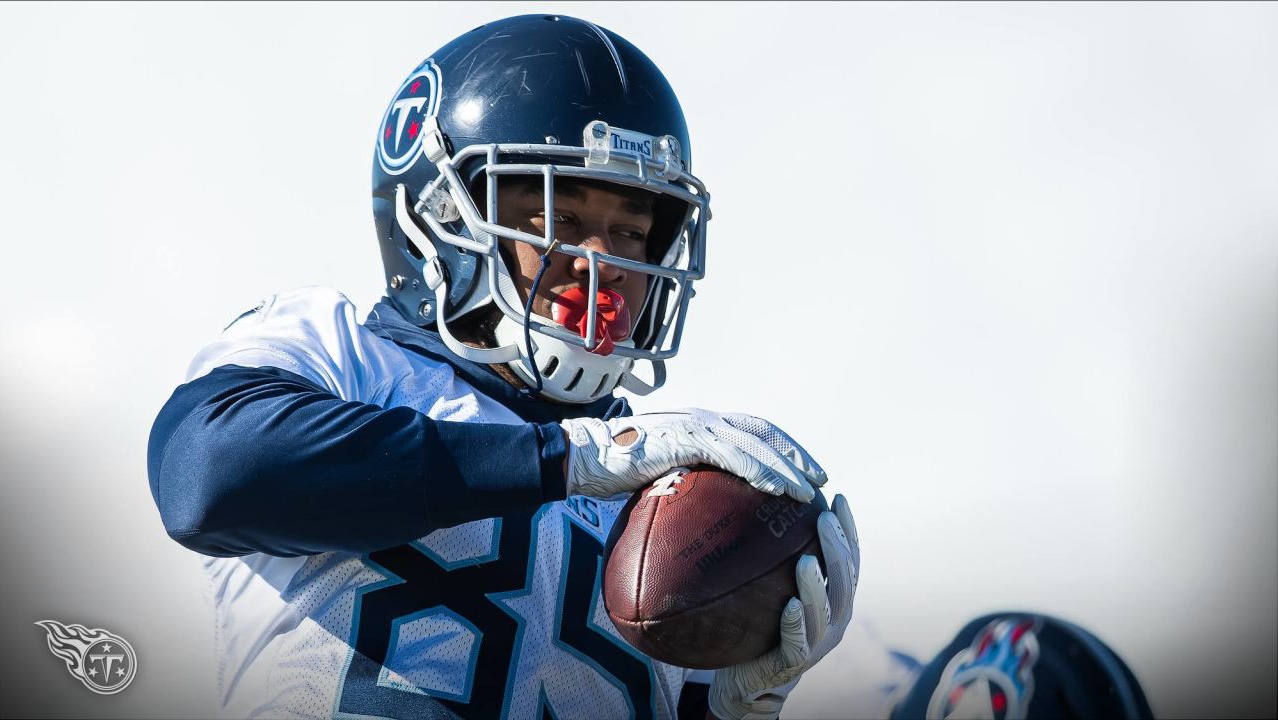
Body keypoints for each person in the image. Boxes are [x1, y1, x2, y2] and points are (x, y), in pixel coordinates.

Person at [147, 14, 859, 720]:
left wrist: (730, 709)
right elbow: (206, 477)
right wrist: (567, 457)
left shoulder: (670, 506)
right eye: (555, 217)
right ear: (441, 218)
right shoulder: (340, 354)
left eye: (633, 230)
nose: (601, 262)